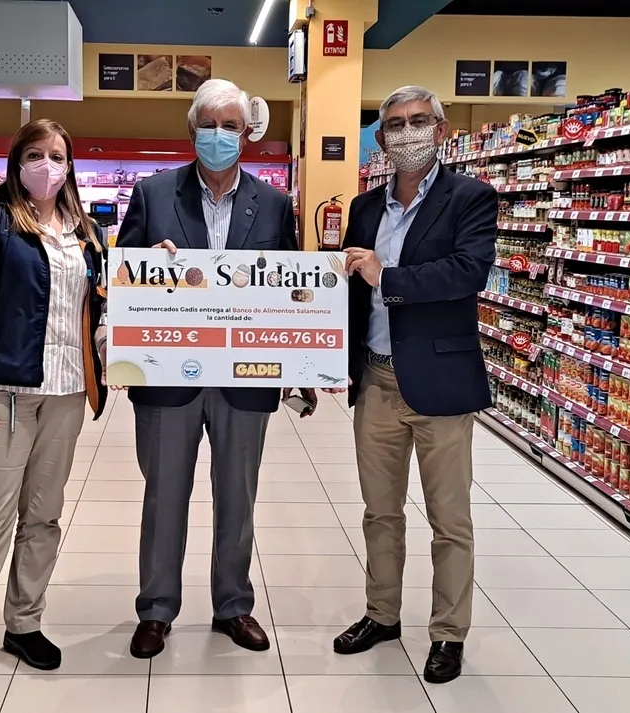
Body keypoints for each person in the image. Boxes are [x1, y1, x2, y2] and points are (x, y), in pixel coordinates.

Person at [116, 78, 307, 659]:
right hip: (168, 378)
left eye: (230, 125)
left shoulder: (273, 205)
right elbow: (120, 281)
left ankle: (234, 605)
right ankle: (156, 609)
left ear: (247, 134)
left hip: (245, 377)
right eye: (209, 125)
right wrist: (144, 269)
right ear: (191, 130)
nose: (219, 135)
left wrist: (303, 364)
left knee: (238, 497)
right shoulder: (153, 195)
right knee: (164, 495)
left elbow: (294, 294)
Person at [0, 118, 108, 706]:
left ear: (70, 166)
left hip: (66, 393)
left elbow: (97, 311)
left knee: (43, 517)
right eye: (36, 154)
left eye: (57, 156)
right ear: (16, 161)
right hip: (1, 392)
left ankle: (23, 624)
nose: (47, 166)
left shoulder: (86, 233)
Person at [330, 86, 497, 684]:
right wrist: (323, 360)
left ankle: (449, 632)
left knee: (449, 519)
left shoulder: (470, 197)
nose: (407, 133)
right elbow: (348, 291)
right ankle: (382, 614)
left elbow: (467, 272)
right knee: (380, 511)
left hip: (441, 383)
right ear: (381, 138)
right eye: (395, 124)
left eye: (419, 121)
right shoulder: (363, 207)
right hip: (375, 379)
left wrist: (388, 276)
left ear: (441, 129)